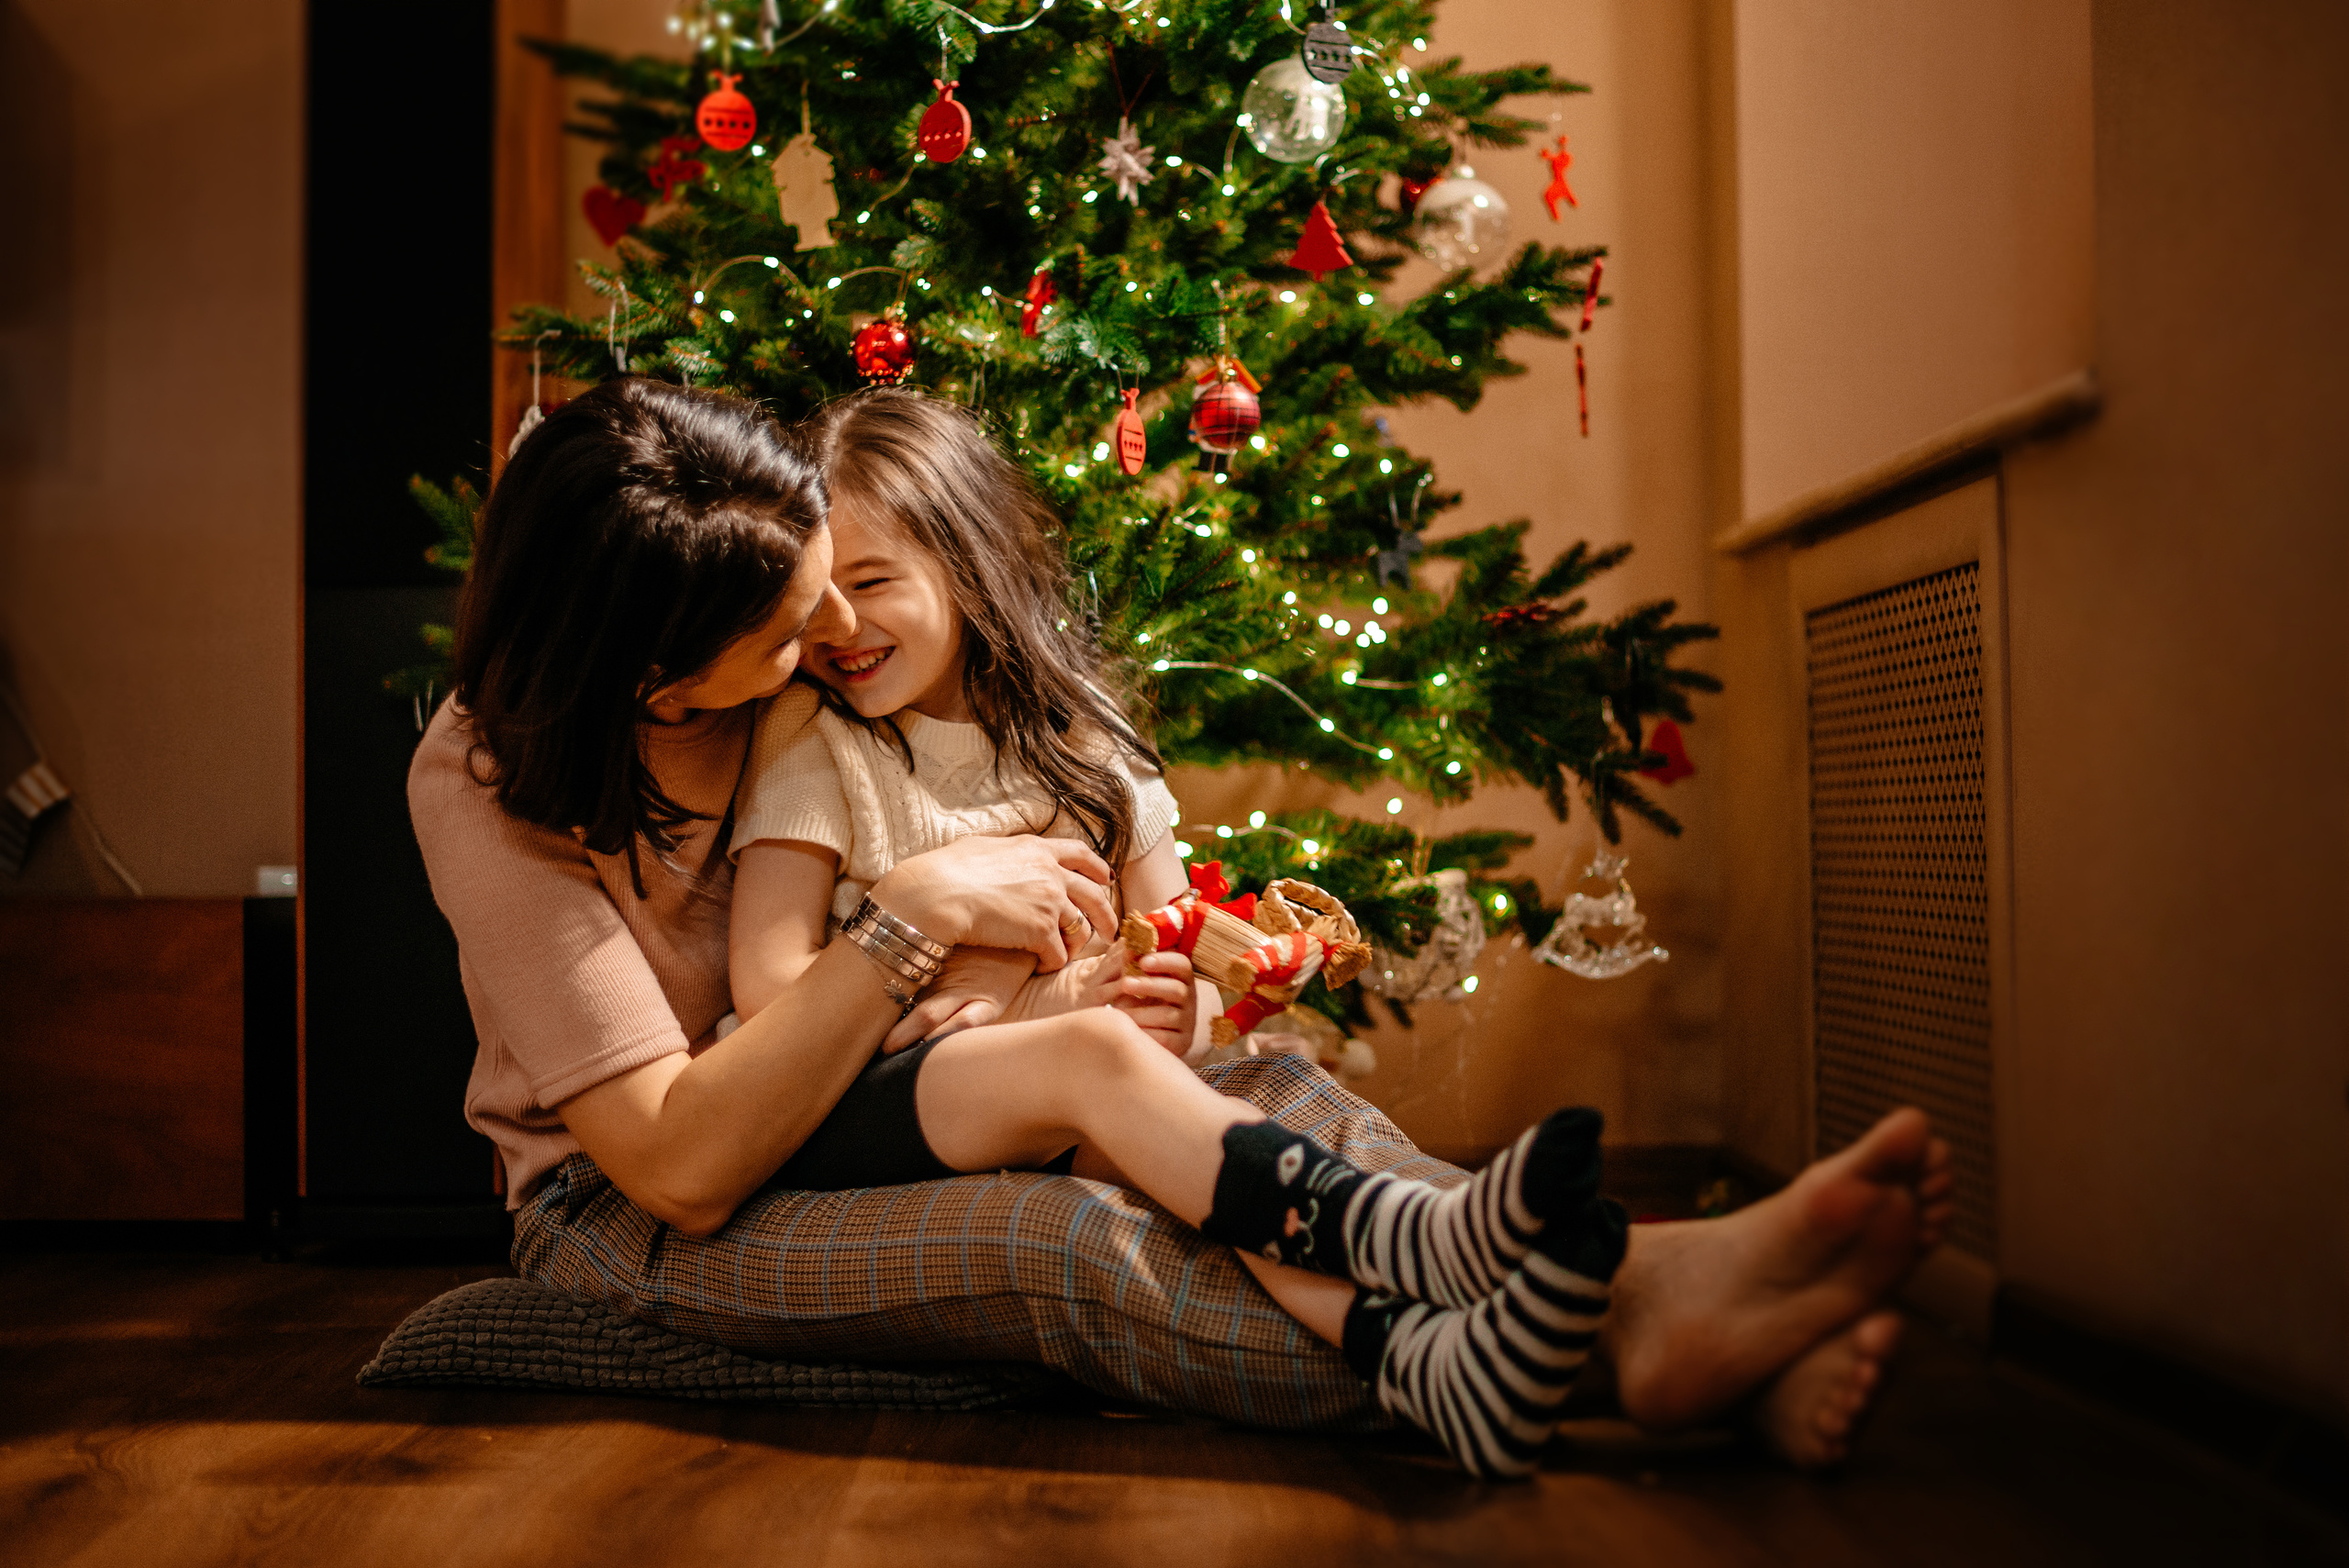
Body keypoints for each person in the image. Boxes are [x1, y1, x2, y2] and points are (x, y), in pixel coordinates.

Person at [408, 377, 1954, 1481]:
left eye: (836, 585)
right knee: (1067, 1238)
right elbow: (681, 1157)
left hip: (914, 1083)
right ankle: (1632, 1333)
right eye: (786, 633)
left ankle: (1647, 1305)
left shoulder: (799, 659)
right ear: (657, 682)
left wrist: (1085, 977)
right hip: (648, 1205)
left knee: (1239, 1089)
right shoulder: (495, 782)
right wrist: (919, 924)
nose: (836, 639)